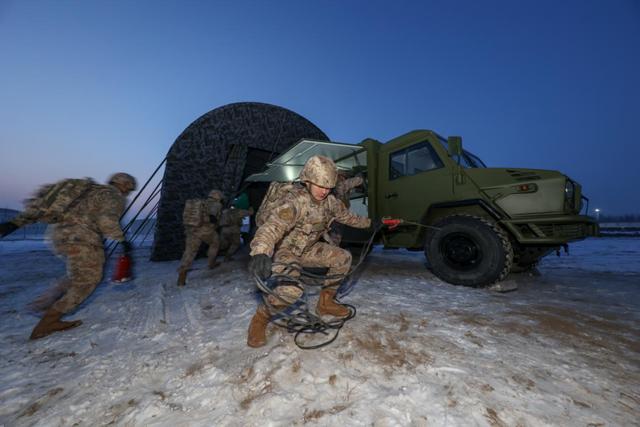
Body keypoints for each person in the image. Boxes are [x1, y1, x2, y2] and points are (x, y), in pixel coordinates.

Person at [246, 155, 372, 348]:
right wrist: (260, 252)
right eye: (319, 185)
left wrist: (371, 223)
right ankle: (261, 318)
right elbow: (272, 227)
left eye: (328, 186)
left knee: (343, 257)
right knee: (291, 291)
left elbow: (348, 217)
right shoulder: (294, 201)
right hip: (286, 251)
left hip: (309, 249)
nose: (324, 190)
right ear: (307, 180)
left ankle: (325, 302)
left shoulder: (331, 202)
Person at [0, 172, 137, 340]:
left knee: (78, 274)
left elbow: (45, 207)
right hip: (83, 238)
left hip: (60, 236)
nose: (128, 193)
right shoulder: (113, 195)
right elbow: (106, 220)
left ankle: (44, 302)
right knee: (88, 280)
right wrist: (122, 240)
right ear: (124, 185)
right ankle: (49, 321)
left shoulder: (88, 190)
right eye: (128, 189)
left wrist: (16, 222)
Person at [177, 189, 223, 287]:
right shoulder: (216, 204)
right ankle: (211, 263)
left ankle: (182, 275)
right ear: (218, 197)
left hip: (191, 230)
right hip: (205, 231)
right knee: (215, 242)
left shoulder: (201, 203)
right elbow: (213, 218)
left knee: (189, 251)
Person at [327, 172, 365, 246]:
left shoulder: (332, 185)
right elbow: (355, 181)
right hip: (336, 216)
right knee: (335, 237)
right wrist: (360, 177)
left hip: (332, 216)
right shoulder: (340, 185)